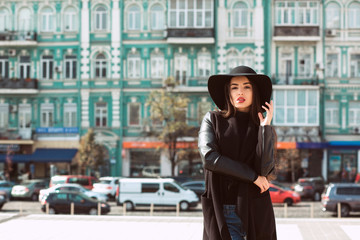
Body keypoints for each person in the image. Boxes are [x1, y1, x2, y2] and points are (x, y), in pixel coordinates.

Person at [198, 66, 277, 240]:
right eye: (234, 87)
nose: (240, 91)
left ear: (254, 91)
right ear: (228, 92)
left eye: (246, 86)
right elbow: (209, 158)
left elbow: (264, 170)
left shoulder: (262, 127)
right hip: (225, 210)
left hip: (257, 211)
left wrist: (265, 130)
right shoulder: (213, 119)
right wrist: (252, 177)